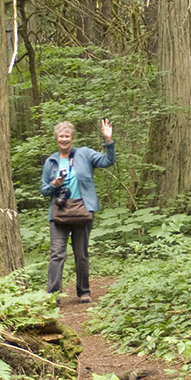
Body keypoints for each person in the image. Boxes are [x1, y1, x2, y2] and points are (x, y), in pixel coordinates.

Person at [40, 118, 115, 304]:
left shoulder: (84, 154)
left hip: (82, 211)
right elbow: (43, 190)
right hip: (59, 214)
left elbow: (108, 161)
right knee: (57, 254)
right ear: (56, 139)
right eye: (61, 136)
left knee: (81, 253)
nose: (64, 139)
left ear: (72, 138)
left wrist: (108, 140)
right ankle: (53, 296)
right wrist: (53, 184)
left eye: (67, 136)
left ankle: (84, 291)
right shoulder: (51, 161)